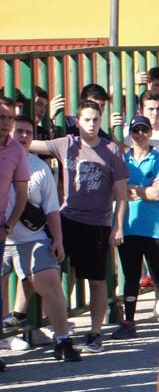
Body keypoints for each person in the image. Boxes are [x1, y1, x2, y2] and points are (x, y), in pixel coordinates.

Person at [31, 101, 128, 353]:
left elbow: (121, 194)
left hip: (97, 223)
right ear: (77, 121)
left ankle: (95, 332)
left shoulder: (111, 150)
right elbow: (29, 143)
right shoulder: (67, 143)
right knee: (62, 273)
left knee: (96, 279)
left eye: (96, 119)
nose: (92, 124)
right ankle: (56, 328)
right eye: (87, 120)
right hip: (67, 219)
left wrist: (117, 227)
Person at [3, 116, 78, 362]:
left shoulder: (40, 167)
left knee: (51, 281)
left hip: (30, 238)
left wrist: (58, 240)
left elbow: (52, 209)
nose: (23, 136)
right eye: (19, 131)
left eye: (28, 132)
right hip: (2, 239)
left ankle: (62, 340)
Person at [116, 115, 159, 338]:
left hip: (156, 229)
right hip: (128, 226)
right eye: (135, 131)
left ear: (150, 133)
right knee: (130, 278)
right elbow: (117, 190)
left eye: (144, 130)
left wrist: (134, 190)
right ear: (130, 134)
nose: (140, 135)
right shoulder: (122, 160)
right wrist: (145, 190)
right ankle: (129, 322)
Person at [0, 102, 31, 370]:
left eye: (8, 118)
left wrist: (8, 225)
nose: (4, 122)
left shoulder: (16, 152)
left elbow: (21, 194)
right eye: (1, 117)